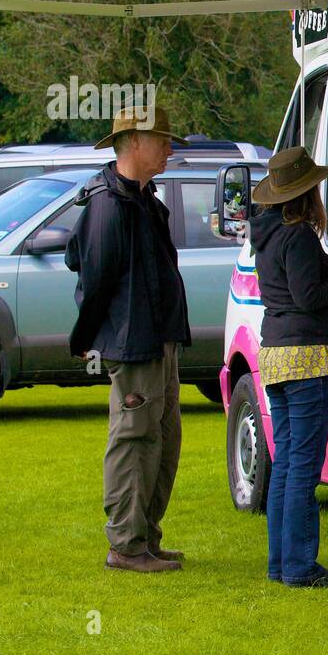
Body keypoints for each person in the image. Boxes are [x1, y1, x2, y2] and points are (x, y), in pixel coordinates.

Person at [66, 104, 192, 572]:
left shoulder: (140, 198)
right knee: (134, 438)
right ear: (134, 143)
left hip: (158, 338)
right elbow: (96, 279)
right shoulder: (107, 203)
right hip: (132, 340)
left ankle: (145, 537)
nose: (169, 148)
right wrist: (85, 337)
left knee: (162, 437)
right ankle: (126, 545)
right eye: (162, 139)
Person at [250, 146, 328, 588]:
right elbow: (310, 296)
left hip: (276, 355)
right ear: (308, 193)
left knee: (285, 464)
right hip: (308, 358)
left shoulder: (264, 233)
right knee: (303, 466)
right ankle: (300, 568)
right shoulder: (297, 235)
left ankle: (280, 563)